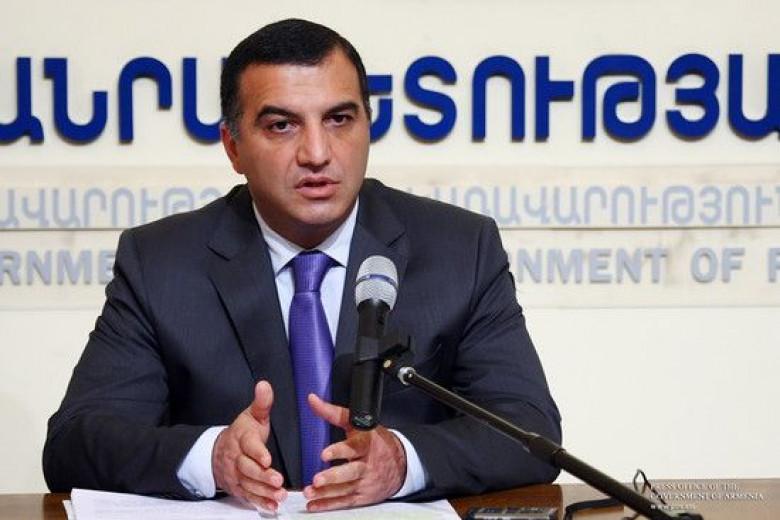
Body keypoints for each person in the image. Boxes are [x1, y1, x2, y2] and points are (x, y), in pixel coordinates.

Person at [43, 18, 561, 512]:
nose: (317, 153)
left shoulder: (459, 249)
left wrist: (402, 463)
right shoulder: (161, 262)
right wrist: (213, 458)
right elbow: (75, 442)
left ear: (368, 127)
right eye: (282, 125)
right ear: (233, 147)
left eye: (339, 119)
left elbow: (529, 429)